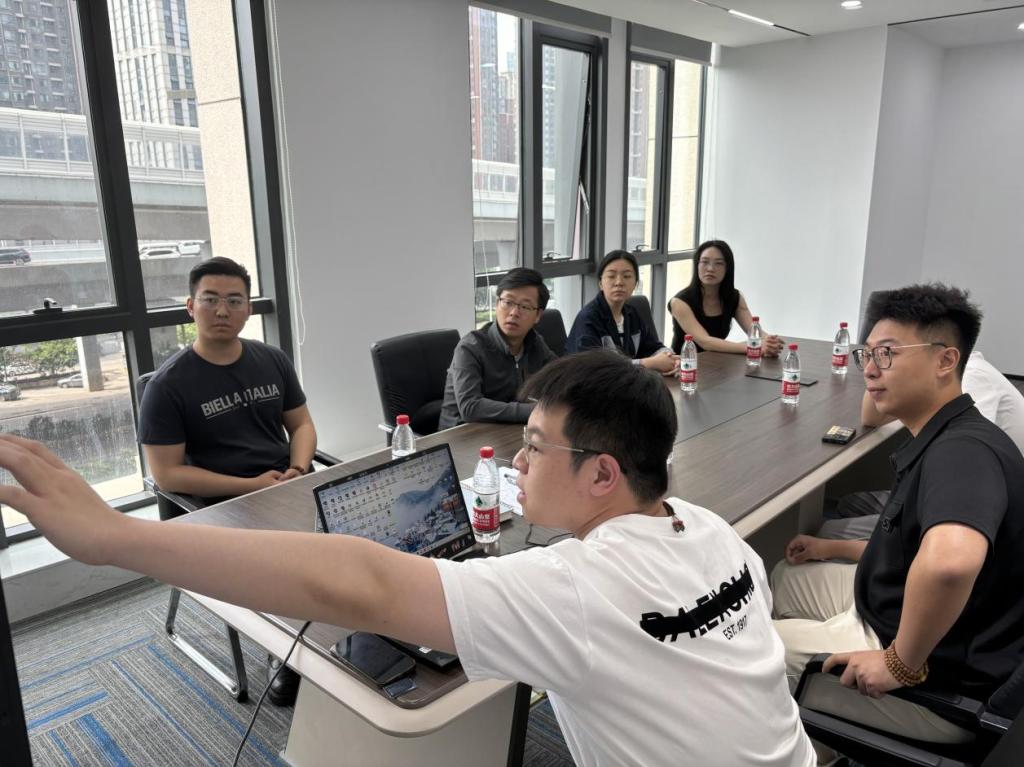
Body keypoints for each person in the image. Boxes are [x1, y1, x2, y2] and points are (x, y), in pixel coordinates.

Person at [0, 351, 814, 767]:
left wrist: (114, 538)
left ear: (603, 474)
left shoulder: (575, 589)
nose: (520, 460)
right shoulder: (709, 529)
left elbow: (358, 581)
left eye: (536, 445)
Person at [771, 284, 1024, 750]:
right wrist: (830, 548)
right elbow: (912, 547)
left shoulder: (962, 452)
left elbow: (950, 563)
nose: (869, 369)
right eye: (866, 354)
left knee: (746, 649)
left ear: (946, 361)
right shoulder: (946, 430)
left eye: (887, 354)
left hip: (936, 675)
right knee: (785, 576)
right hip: (893, 609)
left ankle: (810, 744)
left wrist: (900, 663)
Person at [138, 256, 317, 706]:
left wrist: (297, 471)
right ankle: (285, 652)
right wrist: (253, 486)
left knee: (359, 527)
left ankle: (349, 628)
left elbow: (302, 425)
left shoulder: (271, 360)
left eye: (235, 301)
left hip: (285, 483)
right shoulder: (167, 386)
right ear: (190, 307)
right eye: (211, 300)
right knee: (286, 561)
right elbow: (167, 474)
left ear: (248, 309)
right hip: (219, 503)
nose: (222, 310)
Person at [438, 268, 557, 429]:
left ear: (538, 316)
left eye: (525, 306)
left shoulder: (535, 343)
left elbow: (563, 378)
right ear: (496, 304)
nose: (514, 313)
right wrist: (537, 410)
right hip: (461, 435)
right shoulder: (470, 347)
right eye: (508, 302)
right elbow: (470, 407)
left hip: (506, 430)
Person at [565, 251, 678, 375]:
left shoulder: (631, 314)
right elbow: (594, 368)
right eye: (611, 276)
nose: (619, 282)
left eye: (627, 276)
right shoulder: (588, 318)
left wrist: (671, 357)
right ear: (600, 283)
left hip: (626, 383)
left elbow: (653, 347)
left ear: (636, 284)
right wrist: (648, 363)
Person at [668, 239, 784, 356]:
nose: (710, 268)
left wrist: (770, 341)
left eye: (718, 263)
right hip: (684, 364)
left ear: (727, 268)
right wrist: (754, 347)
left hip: (717, 361)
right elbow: (705, 342)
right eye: (705, 262)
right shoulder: (679, 302)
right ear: (697, 265)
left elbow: (754, 331)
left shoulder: (734, 297)